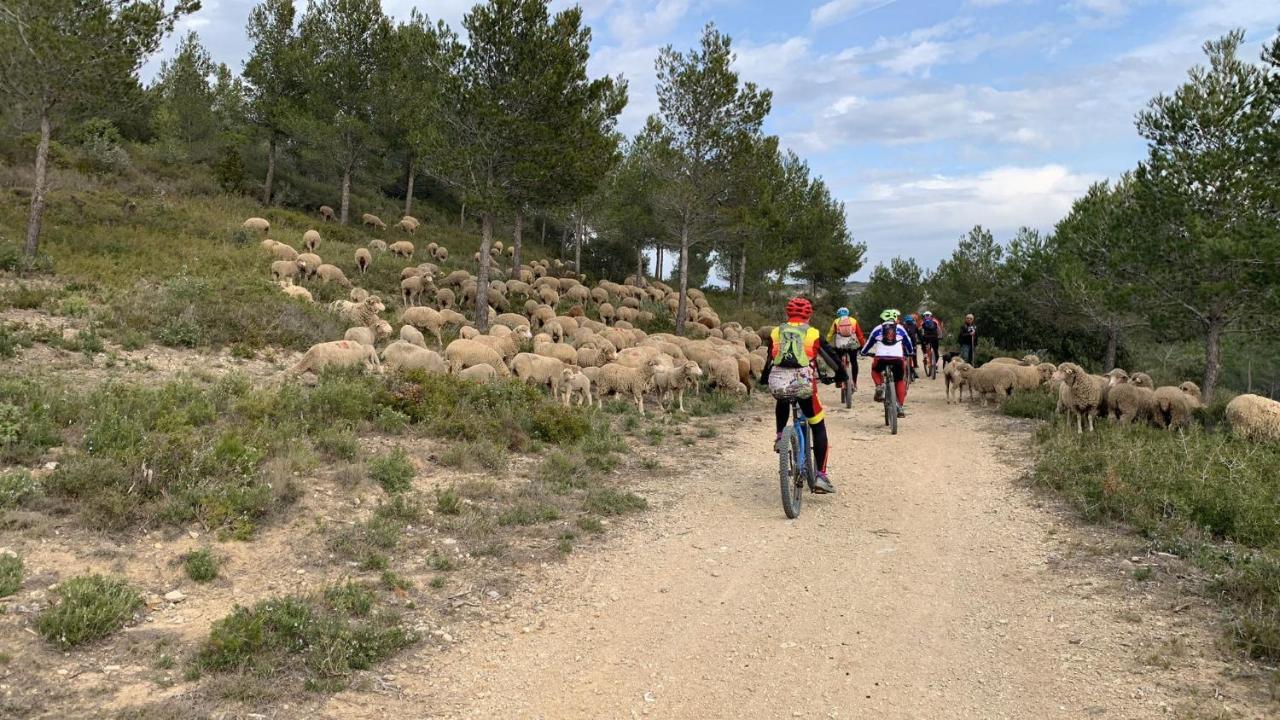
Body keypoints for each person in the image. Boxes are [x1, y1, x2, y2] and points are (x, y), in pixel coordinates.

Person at [759, 297, 848, 494]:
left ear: (787, 314)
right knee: (818, 424)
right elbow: (831, 357)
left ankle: (781, 436)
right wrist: (842, 375)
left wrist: (765, 379)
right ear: (809, 315)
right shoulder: (813, 333)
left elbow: (770, 359)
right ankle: (821, 476)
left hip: (778, 384)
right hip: (804, 386)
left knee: (782, 398)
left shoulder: (776, 332)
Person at [860, 308, 912, 417]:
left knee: (875, 370)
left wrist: (863, 352)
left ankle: (879, 386)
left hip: (881, 358)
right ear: (894, 318)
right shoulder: (900, 328)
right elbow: (908, 342)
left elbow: (869, 343)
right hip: (898, 359)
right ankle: (900, 407)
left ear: (882, 319)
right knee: (899, 381)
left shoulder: (877, 329)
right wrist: (911, 352)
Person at [825, 307, 865, 391]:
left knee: (838, 362)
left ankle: (839, 381)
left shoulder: (836, 321)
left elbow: (830, 334)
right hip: (852, 345)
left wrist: (826, 343)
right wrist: (863, 345)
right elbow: (860, 335)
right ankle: (854, 382)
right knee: (854, 362)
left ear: (838, 314)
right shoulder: (853, 320)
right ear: (848, 313)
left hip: (840, 345)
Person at [901, 312, 921, 380]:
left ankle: (905, 370)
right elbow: (916, 335)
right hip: (912, 343)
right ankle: (914, 369)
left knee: (903, 356)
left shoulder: (902, 326)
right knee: (912, 355)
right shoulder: (914, 325)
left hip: (903, 344)